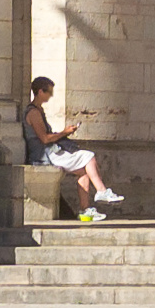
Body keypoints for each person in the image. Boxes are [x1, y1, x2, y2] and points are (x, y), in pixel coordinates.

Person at [23, 75, 122, 219]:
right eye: (49, 92)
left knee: (84, 172)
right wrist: (64, 132)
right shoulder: (33, 113)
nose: (51, 95)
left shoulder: (39, 110)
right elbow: (44, 138)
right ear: (40, 92)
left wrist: (64, 133)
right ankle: (101, 191)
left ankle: (85, 210)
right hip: (44, 155)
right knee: (88, 156)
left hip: (50, 151)